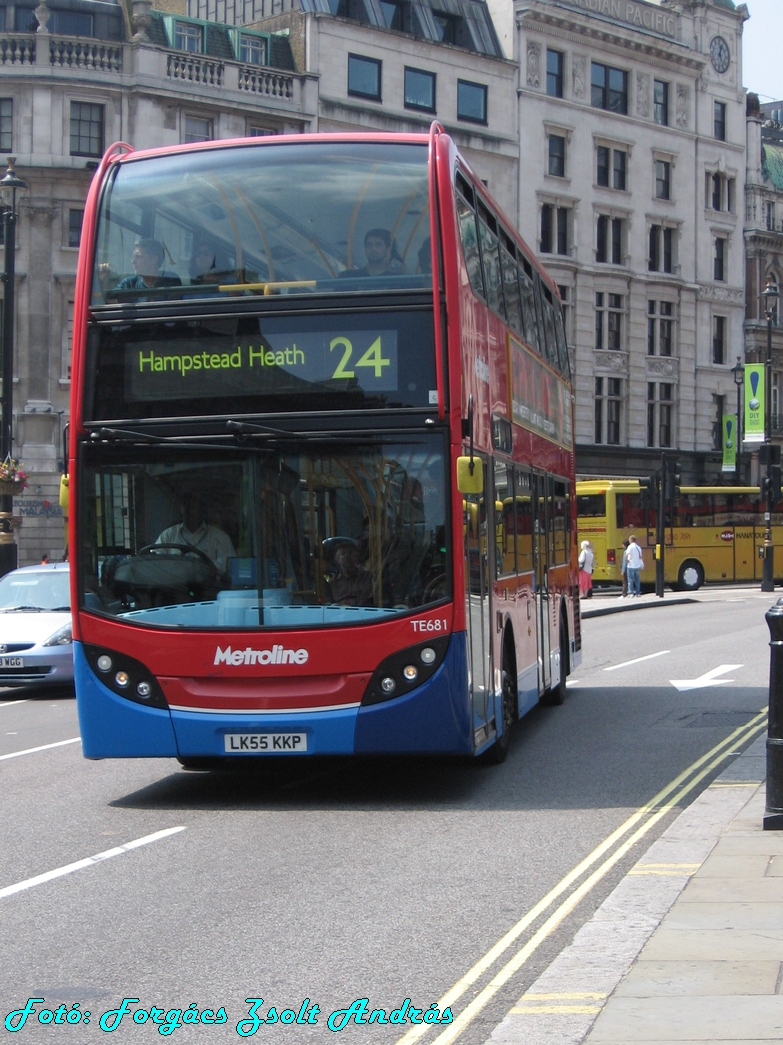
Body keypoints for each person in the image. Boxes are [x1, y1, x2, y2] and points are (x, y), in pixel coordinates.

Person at [156, 492, 236, 576]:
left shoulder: (220, 537)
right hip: (174, 586)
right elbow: (156, 562)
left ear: (202, 511)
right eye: (185, 506)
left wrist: (201, 567)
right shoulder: (168, 535)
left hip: (210, 587)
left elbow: (228, 567)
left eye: (192, 506)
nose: (188, 510)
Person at [115, 239, 181, 293]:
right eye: (133, 257)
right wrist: (104, 279)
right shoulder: (129, 283)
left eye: (138, 257)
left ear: (153, 259)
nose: (133, 261)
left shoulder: (171, 281)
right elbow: (110, 300)